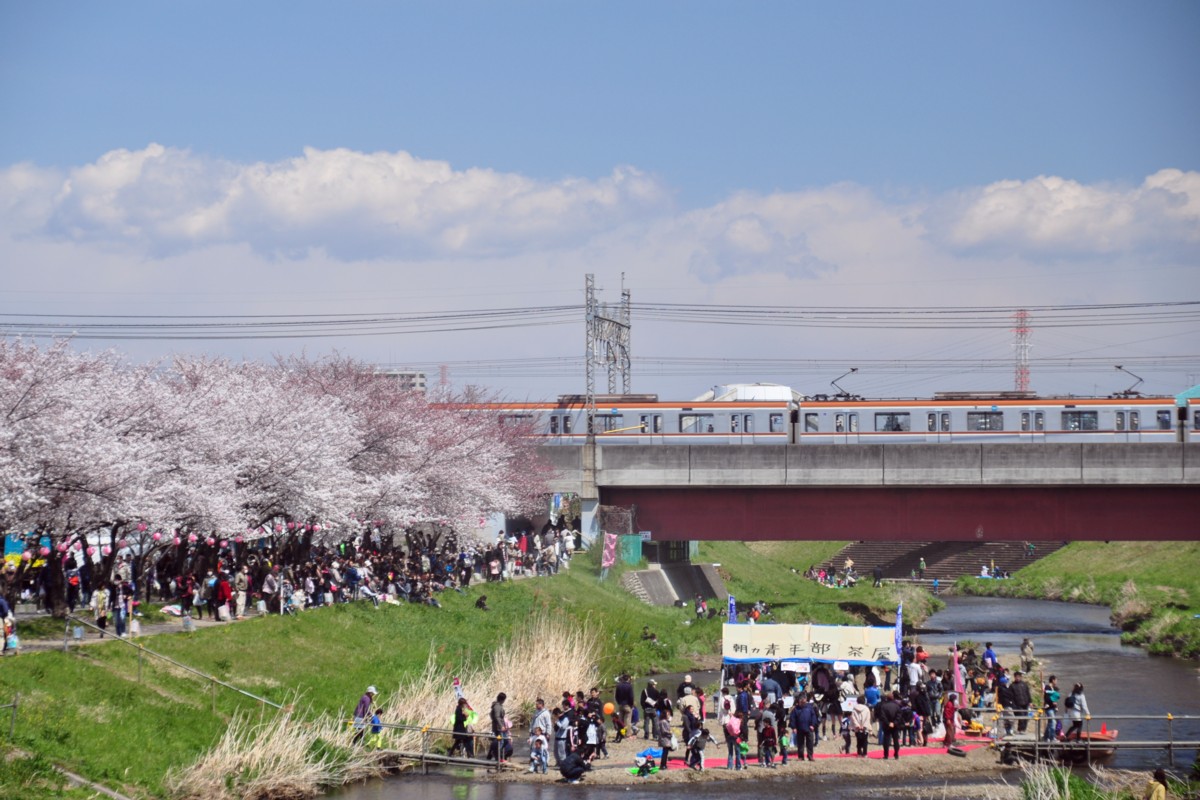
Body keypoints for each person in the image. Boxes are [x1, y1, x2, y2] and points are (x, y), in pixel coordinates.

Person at [877, 690, 903, 760]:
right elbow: (899, 716)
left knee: (886, 740)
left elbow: (882, 716)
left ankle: (886, 755)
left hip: (887, 725)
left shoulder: (884, 706)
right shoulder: (897, 706)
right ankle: (896, 754)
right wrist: (894, 723)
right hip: (895, 725)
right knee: (895, 740)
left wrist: (888, 723)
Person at [489, 692, 509, 762]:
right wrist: (501, 726)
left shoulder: (499, 705)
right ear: (502, 699)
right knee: (501, 741)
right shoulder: (497, 706)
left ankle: (496, 753)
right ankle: (496, 754)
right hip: (498, 729)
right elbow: (497, 717)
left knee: (505, 740)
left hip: (500, 727)